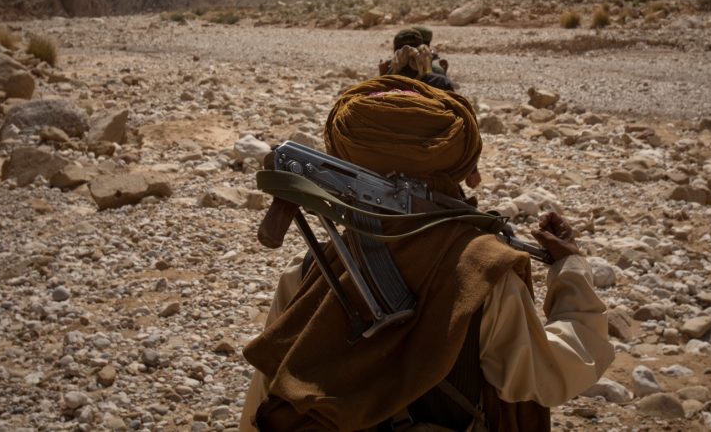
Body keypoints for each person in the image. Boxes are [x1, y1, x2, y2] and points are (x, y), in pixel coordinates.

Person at [241, 76, 614, 431]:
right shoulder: (487, 276)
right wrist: (570, 271)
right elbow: (550, 376)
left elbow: (266, 396)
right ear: (457, 167)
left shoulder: (306, 274)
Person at [378, 26, 454, 91]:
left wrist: (382, 74)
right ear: (422, 49)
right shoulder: (440, 81)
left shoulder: (385, 82)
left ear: (395, 52)